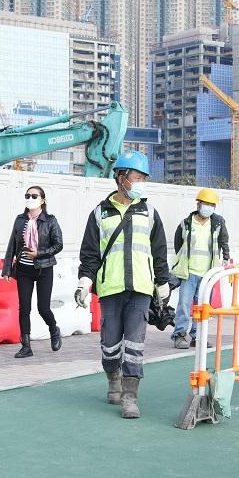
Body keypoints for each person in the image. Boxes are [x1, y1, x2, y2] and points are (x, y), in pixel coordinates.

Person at [74, 151, 169, 419]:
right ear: (121, 178)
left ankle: (130, 397)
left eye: (143, 178)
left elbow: (159, 251)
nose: (140, 183)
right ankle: (112, 379)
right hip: (110, 288)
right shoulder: (99, 213)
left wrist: (163, 283)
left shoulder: (149, 212)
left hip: (140, 288)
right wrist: (84, 281)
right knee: (110, 344)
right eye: (137, 177)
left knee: (135, 345)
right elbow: (90, 253)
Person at [2, 185, 64, 359]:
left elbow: (58, 245)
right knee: (24, 308)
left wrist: (39, 253)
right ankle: (26, 346)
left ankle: (54, 329)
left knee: (43, 307)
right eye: (27, 195)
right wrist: (7, 269)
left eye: (34, 196)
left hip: (44, 268)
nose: (30, 198)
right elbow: (12, 245)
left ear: (42, 200)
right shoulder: (20, 220)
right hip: (23, 269)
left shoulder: (50, 220)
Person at [170, 188, 229, 349]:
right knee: (184, 304)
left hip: (208, 274)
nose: (208, 207)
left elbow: (224, 242)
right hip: (189, 272)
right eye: (205, 204)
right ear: (198, 204)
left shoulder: (217, 224)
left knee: (202, 307)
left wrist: (225, 259)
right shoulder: (187, 223)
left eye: (212, 205)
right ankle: (179, 335)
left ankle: (197, 336)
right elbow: (178, 244)